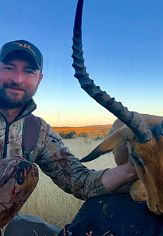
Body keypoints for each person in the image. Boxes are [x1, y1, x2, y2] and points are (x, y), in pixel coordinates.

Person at [0, 39, 138, 235]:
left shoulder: (37, 131)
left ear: (39, 79)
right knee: (20, 170)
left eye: (29, 71)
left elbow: (79, 181)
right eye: (9, 68)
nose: (18, 79)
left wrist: (133, 169)